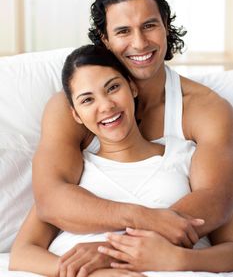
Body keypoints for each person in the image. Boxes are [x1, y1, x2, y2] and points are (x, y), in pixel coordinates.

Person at [32, 0, 233, 273]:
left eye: (149, 26)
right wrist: (139, 220)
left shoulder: (206, 109)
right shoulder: (71, 108)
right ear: (105, 40)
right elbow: (50, 198)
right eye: (123, 31)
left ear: (166, 25)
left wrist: (112, 251)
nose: (139, 43)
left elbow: (216, 200)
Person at [10, 45, 233, 277]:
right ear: (75, 114)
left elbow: (229, 248)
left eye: (113, 87)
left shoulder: (185, 156)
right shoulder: (77, 172)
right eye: (87, 100)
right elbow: (22, 253)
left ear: (132, 88)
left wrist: (181, 259)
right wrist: (91, 273)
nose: (106, 106)